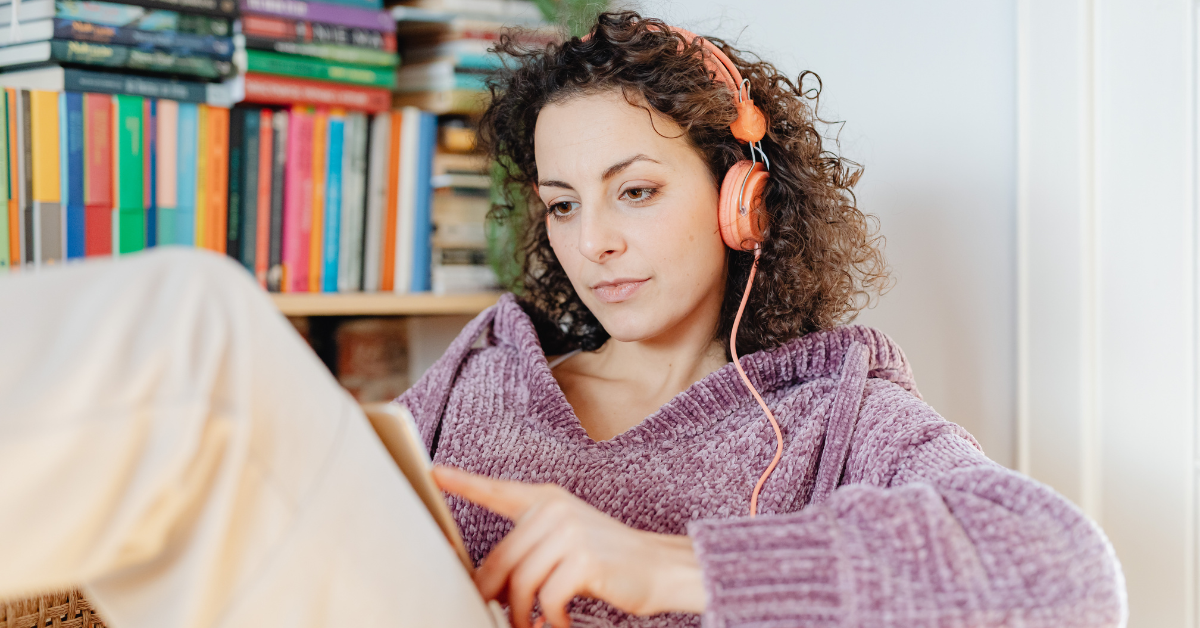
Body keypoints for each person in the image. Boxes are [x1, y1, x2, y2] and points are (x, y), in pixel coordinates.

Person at [0, 10, 1124, 628]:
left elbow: (1067, 574)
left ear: (745, 201)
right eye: (564, 204)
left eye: (636, 190)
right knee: (200, 319)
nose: (596, 242)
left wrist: (671, 566)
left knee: (200, 331)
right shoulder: (495, 359)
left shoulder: (838, 412)